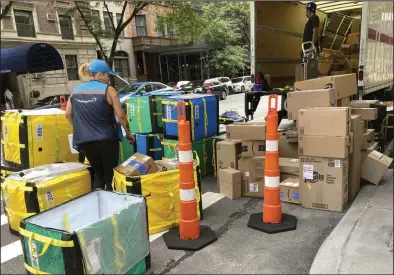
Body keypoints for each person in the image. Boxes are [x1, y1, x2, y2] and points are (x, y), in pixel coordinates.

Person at [65, 59, 135, 191]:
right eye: (108, 75)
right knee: (110, 177)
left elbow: (68, 113)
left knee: (99, 175)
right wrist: (129, 133)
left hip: (86, 141)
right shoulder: (108, 90)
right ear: (99, 74)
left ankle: (97, 205)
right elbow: (120, 115)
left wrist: (80, 128)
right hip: (107, 139)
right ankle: (110, 207)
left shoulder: (75, 90)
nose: (109, 79)